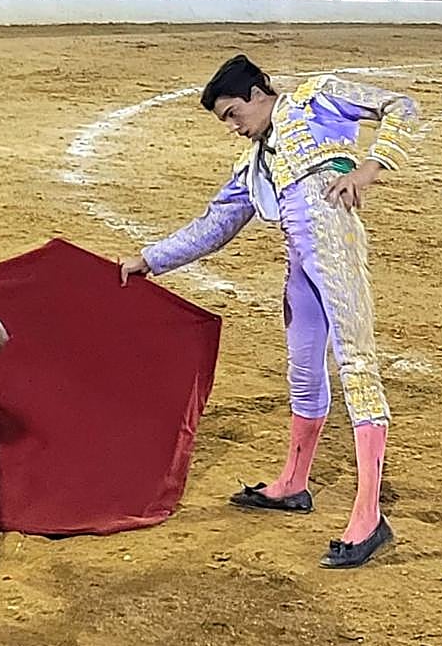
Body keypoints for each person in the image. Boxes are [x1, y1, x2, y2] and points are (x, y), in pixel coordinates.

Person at [118, 55, 419, 569]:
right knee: (304, 372)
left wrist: (368, 170)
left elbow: (401, 106)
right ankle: (294, 483)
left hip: (338, 251)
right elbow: (214, 226)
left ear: (258, 93)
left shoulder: (315, 99)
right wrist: (149, 260)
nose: (234, 129)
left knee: (357, 367)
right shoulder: (255, 164)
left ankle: (369, 516)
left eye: (233, 114)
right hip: (302, 268)